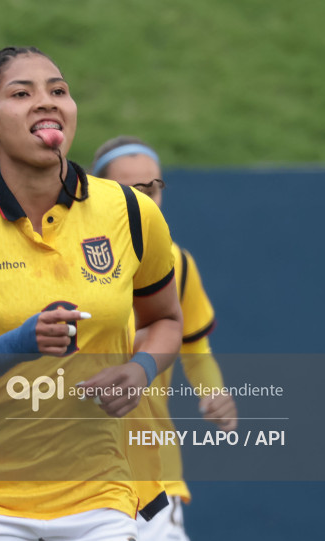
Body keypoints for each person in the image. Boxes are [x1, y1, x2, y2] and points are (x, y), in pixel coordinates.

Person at [0, 48, 184, 541]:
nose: (46, 103)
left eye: (58, 91)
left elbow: (165, 320)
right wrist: (15, 347)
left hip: (102, 499)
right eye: (21, 93)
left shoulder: (132, 213)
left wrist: (142, 368)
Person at [92, 136, 239, 541]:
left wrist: (213, 392)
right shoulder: (64, 257)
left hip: (153, 472)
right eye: (131, 190)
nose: (146, 199)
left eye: (153, 187)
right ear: (98, 190)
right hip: (77, 469)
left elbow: (193, 345)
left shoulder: (177, 261)